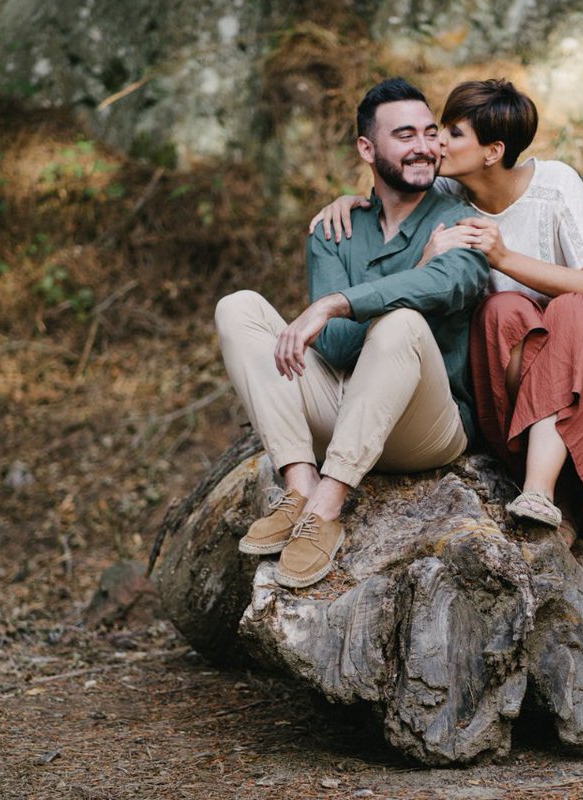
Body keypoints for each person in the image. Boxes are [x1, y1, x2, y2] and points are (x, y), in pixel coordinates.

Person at [310, 79, 583, 554]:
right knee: (502, 309)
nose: (435, 143)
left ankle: (541, 491)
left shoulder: (556, 184)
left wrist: (504, 258)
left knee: (574, 308)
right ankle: (548, 489)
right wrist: (349, 204)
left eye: (452, 133)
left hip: (573, 359)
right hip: (499, 376)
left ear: (493, 152)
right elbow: (391, 191)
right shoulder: (446, 189)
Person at [216, 78, 488, 588]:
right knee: (238, 307)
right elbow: (338, 347)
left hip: (424, 427)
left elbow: (457, 283)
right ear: (367, 148)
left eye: (430, 133)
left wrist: (338, 302)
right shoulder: (334, 228)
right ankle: (299, 482)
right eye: (405, 135)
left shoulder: (459, 219)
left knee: (402, 323)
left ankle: (326, 507)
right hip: (343, 408)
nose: (424, 147)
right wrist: (416, 272)